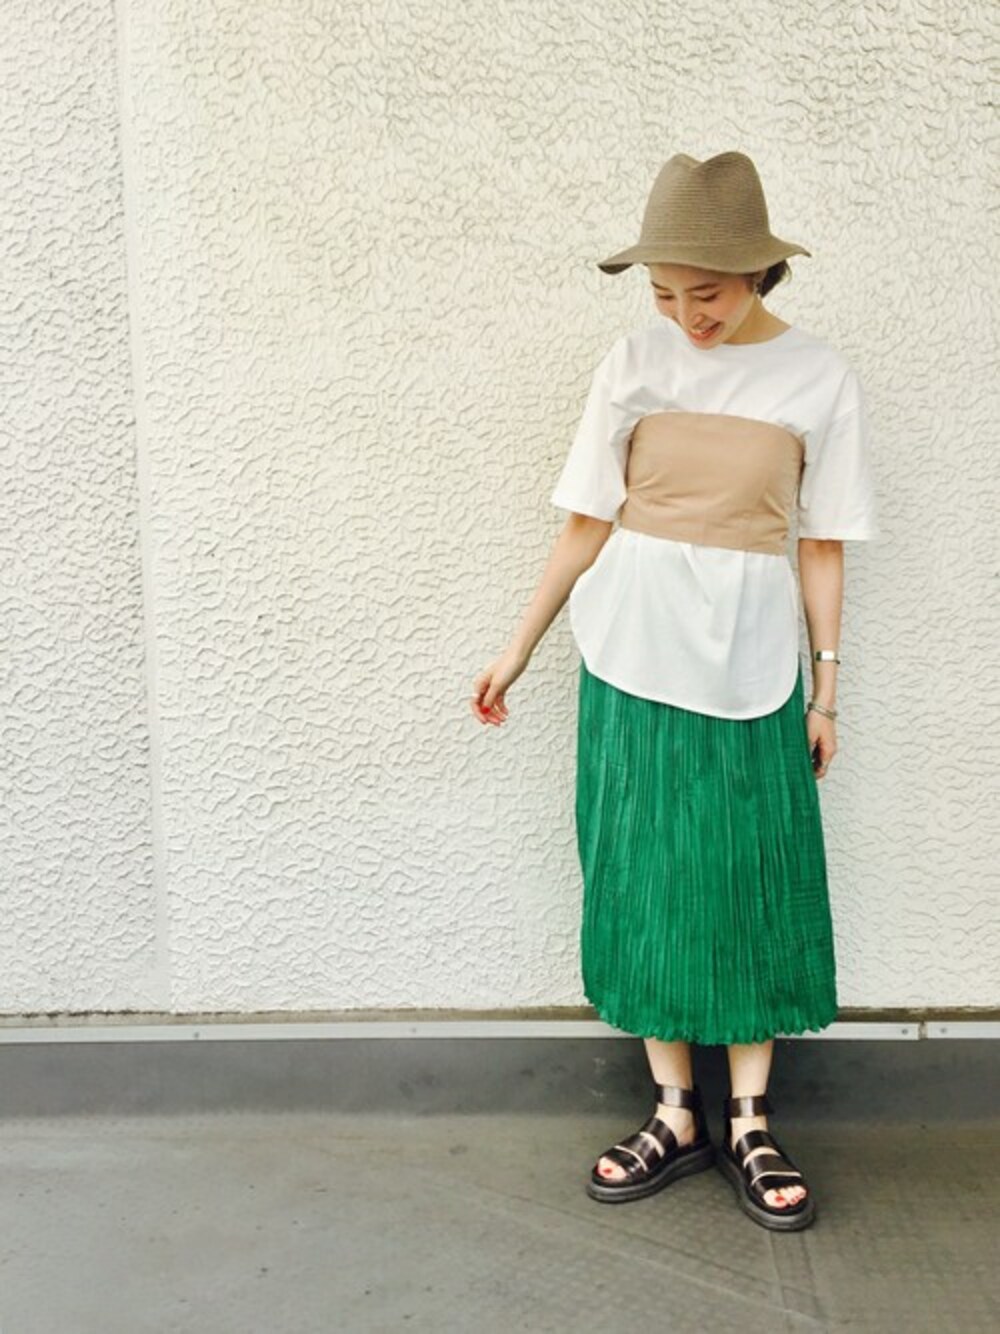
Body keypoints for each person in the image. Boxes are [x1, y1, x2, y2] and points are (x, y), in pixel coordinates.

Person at [469, 151, 880, 1231]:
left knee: (749, 874)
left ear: (759, 275)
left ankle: (749, 1118)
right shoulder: (632, 363)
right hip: (627, 652)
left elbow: (823, 544)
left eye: (707, 292)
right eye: (663, 293)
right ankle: (673, 1112)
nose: (685, 315)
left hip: (752, 661)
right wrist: (518, 648)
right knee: (643, 871)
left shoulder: (817, 378)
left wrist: (826, 692)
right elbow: (585, 522)